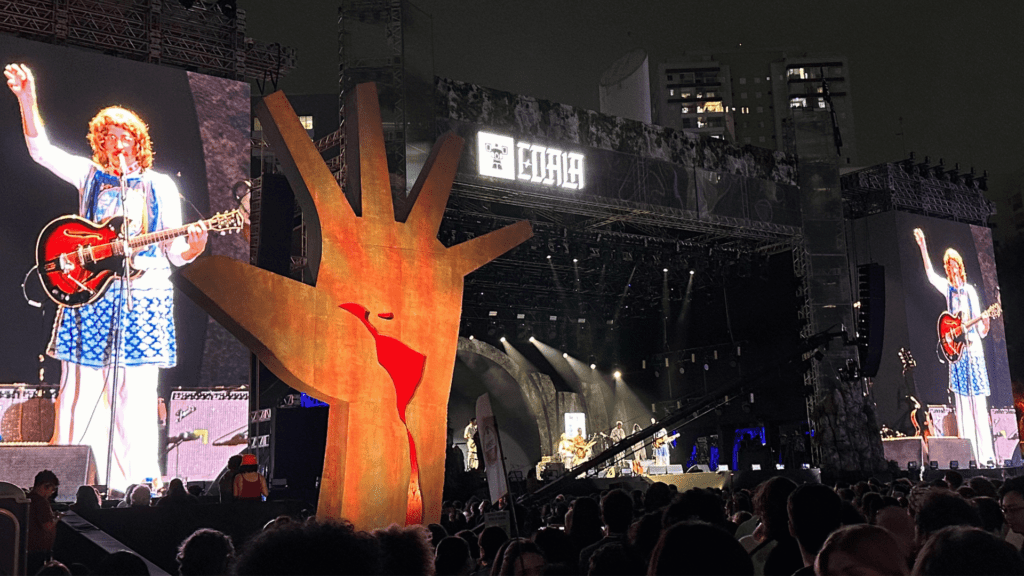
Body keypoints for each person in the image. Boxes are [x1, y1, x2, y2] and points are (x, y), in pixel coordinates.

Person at [5, 63, 208, 492]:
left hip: (145, 296)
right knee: (79, 390)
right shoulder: (89, 178)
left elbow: (176, 253)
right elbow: (40, 151)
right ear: (101, 144)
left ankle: (133, 486)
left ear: (139, 143)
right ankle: (67, 485)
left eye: (125, 137)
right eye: (108, 137)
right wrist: (27, 97)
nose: (117, 144)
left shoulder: (161, 188)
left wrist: (196, 244)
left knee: (135, 398)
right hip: (90, 294)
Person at [913, 228, 996, 464]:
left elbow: (981, 329)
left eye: (954, 265)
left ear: (960, 267)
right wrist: (922, 245)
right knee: (963, 408)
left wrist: (985, 324)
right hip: (957, 355)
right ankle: (970, 457)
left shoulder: (970, 291)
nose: (951, 269)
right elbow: (930, 275)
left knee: (979, 406)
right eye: (947, 266)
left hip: (974, 351)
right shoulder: (948, 290)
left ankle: (987, 457)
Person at [26, 470, 60, 573]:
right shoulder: (41, 502)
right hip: (38, 549)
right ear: (45, 486)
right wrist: (58, 518)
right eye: (52, 489)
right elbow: (48, 526)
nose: (52, 492)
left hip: (28, 548)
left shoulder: (28, 498)